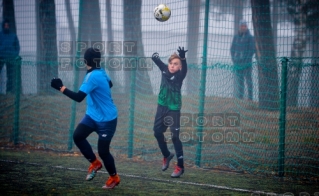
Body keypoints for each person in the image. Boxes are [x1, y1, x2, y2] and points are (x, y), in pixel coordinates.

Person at [50, 48, 120, 189]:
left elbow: (79, 97)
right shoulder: (101, 72)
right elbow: (110, 84)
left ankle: (114, 178)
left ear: (85, 61)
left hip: (107, 119)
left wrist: (61, 87)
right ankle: (95, 163)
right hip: (92, 115)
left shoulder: (92, 76)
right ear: (98, 61)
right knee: (78, 136)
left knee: (103, 151)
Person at [151, 47, 188, 178]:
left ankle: (180, 166)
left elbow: (185, 69)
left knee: (174, 137)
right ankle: (167, 154)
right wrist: (154, 58)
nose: (172, 66)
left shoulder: (180, 76)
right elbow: (159, 63)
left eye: (176, 64)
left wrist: (182, 57)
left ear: (180, 67)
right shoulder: (164, 69)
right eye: (171, 63)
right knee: (157, 132)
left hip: (173, 109)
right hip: (161, 107)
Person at [230, 19, 255, 100]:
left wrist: (246, 60)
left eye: (245, 26)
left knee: (248, 80)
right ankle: (240, 97)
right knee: (240, 81)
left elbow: (251, 50)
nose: (243, 27)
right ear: (239, 27)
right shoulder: (236, 37)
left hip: (247, 64)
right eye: (242, 26)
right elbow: (232, 49)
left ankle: (250, 98)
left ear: (247, 27)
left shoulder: (250, 37)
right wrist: (234, 59)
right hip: (238, 63)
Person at [0, 19, 21, 93]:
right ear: (3, 26)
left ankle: (9, 91)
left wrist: (14, 55)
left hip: (10, 58)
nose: (6, 27)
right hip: (1, 58)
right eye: (5, 25)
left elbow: (17, 47)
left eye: (7, 25)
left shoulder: (13, 36)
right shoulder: (0, 35)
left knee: (10, 75)